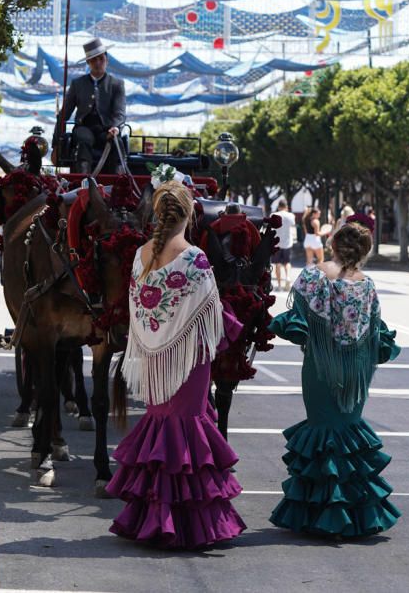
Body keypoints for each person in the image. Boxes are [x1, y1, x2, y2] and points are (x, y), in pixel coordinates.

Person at [106, 180, 246, 549]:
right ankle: (188, 524)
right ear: (190, 214)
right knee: (188, 430)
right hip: (188, 358)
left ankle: (152, 518)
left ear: (156, 213)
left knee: (160, 425)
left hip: (154, 356)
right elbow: (212, 316)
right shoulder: (195, 258)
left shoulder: (140, 256)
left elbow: (140, 311)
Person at [268, 221, 401, 538]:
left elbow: (296, 321)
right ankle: (352, 515)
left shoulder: (314, 275)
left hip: (320, 367)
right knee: (348, 431)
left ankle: (319, 514)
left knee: (322, 433)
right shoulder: (367, 285)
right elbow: (375, 333)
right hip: (356, 371)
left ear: (333, 244)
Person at [51, 38, 126, 173]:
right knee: (84, 139)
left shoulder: (117, 84)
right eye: (93, 60)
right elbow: (64, 114)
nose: (98, 63)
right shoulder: (77, 84)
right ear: (88, 63)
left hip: (107, 130)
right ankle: (84, 183)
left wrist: (115, 128)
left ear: (107, 60)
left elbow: (119, 112)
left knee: (118, 142)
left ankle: (117, 184)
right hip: (84, 127)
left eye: (101, 59)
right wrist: (56, 144)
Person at [272, 199, 295, 291]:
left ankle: (279, 285)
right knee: (287, 262)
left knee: (277, 264)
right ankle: (288, 277)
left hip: (276, 243)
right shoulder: (290, 215)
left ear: (278, 206)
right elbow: (293, 226)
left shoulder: (274, 215)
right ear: (286, 207)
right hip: (287, 243)